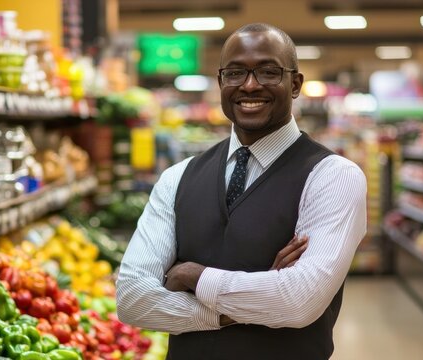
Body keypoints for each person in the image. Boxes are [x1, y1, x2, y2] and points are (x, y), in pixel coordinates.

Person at [116, 22, 367, 360]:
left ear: (295, 84)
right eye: (235, 73)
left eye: (267, 72)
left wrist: (195, 276)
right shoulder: (178, 178)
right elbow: (132, 299)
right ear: (220, 82)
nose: (249, 85)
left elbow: (298, 302)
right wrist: (237, 308)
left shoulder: (332, 177)